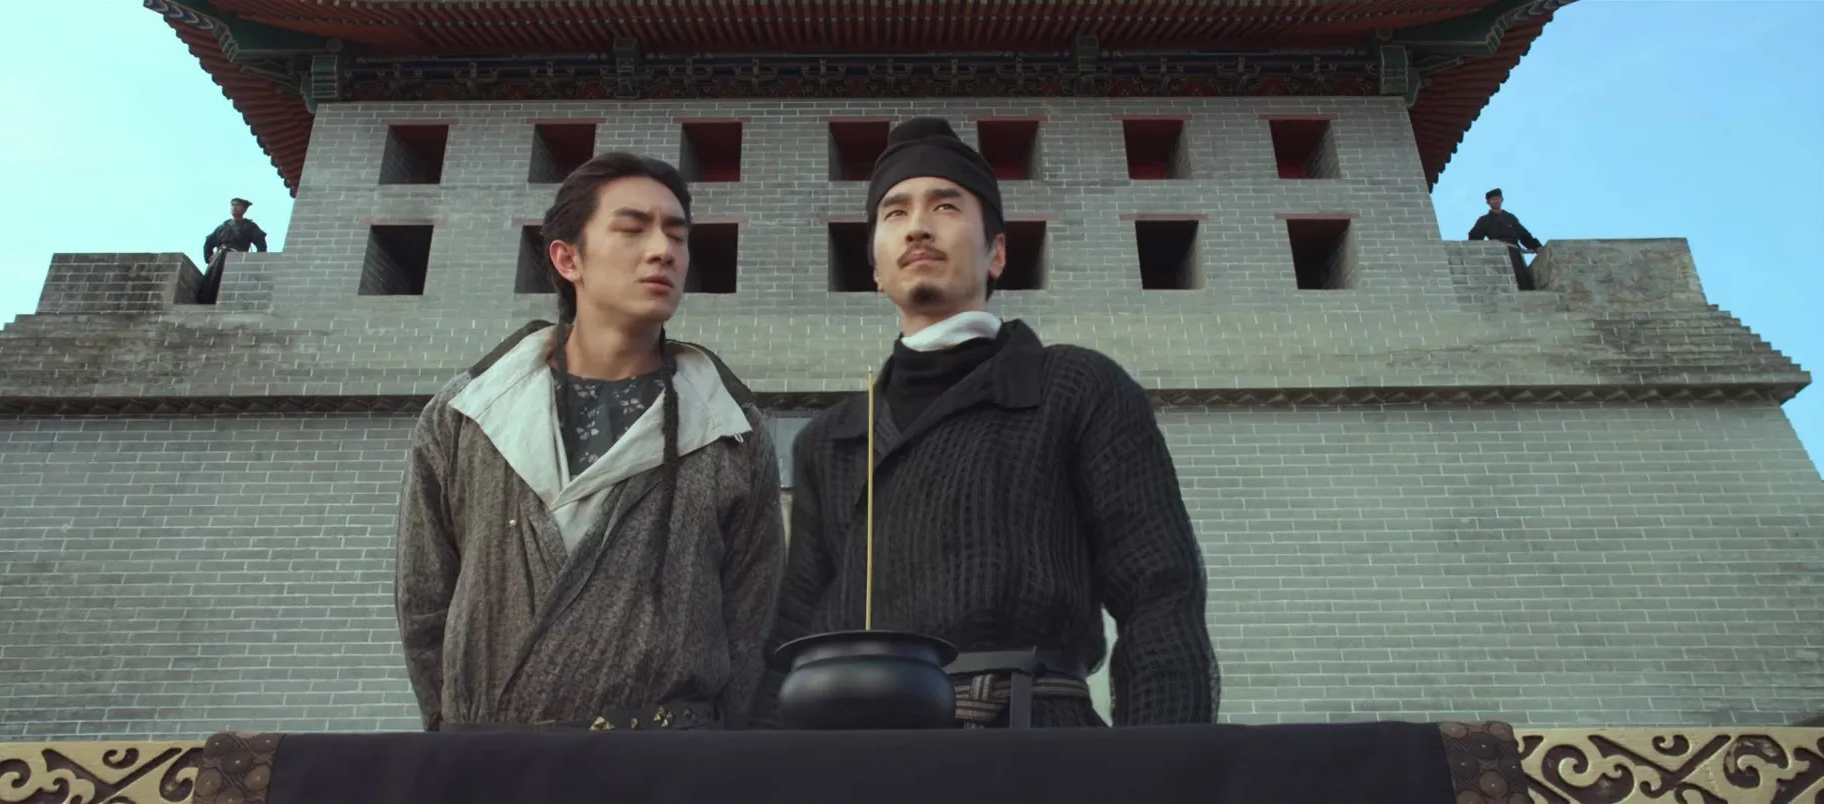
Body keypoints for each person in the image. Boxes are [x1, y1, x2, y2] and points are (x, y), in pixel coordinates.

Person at [757, 118, 1218, 729]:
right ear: (875, 269)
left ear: (997, 252)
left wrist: (1165, 766)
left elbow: (1161, 593)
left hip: (1032, 737)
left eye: (946, 206)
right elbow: (792, 639)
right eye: (894, 213)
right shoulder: (832, 440)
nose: (918, 226)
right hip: (855, 753)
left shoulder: (1075, 387)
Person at [394, 152, 785, 733]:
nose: (663, 250)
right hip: (487, 755)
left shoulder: (731, 430)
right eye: (632, 229)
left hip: (667, 759)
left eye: (677, 235)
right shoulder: (465, 416)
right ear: (567, 258)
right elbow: (424, 606)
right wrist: (459, 734)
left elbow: (752, 622)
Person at [1467, 188, 1544, 290]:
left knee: (1521, 277)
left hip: (1514, 251)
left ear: (1502, 199)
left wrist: (1536, 246)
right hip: (1496, 252)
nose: (1495, 201)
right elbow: (1474, 237)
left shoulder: (1510, 217)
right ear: (1488, 202)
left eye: (1497, 198)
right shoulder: (1484, 220)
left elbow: (1523, 235)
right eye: (1492, 199)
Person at [199, 197, 269, 305]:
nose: (234, 207)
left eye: (237, 205)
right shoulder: (223, 227)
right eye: (232, 205)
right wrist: (209, 256)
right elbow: (208, 242)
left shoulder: (250, 226)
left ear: (244, 209)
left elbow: (261, 244)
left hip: (237, 259)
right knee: (211, 283)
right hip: (219, 259)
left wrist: (255, 261)